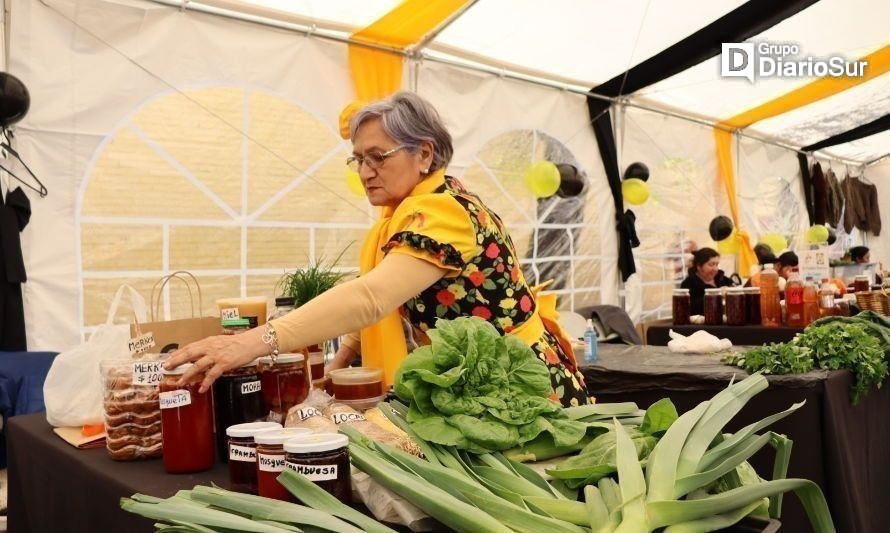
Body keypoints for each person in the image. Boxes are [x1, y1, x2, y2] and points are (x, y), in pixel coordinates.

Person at [164, 91, 590, 407]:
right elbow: (382, 289)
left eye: (377, 157)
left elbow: (372, 298)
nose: (365, 172)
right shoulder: (410, 211)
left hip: (523, 388)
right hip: (481, 384)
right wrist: (341, 360)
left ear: (424, 154)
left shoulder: (443, 214)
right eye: (358, 160)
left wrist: (256, 341)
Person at [680, 248, 737, 315]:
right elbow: (690, 308)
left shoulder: (723, 279)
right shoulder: (688, 284)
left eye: (717, 264)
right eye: (711, 265)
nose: (715, 269)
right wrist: (717, 294)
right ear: (699, 266)